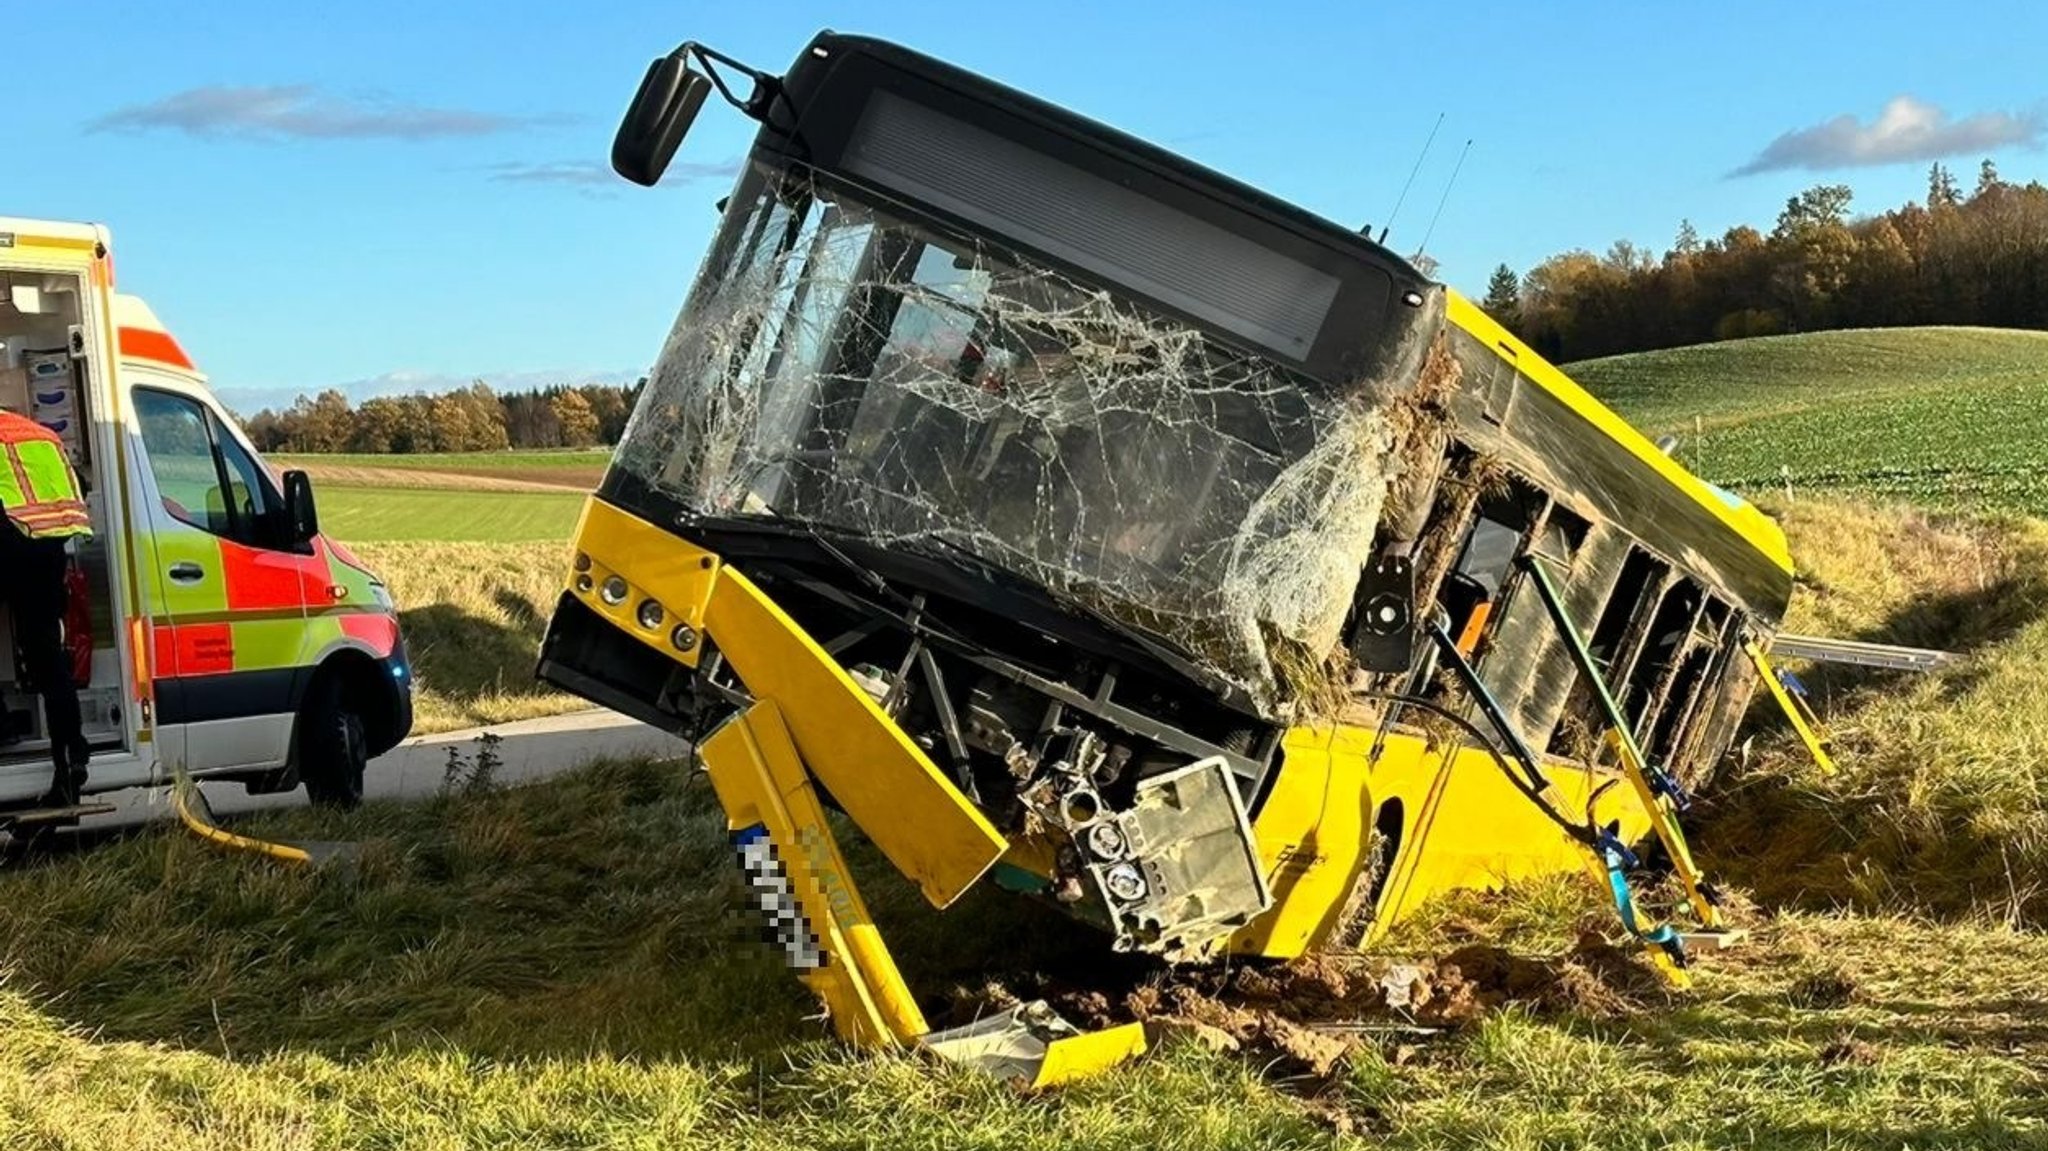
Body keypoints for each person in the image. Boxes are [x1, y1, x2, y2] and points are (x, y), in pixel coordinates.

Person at [0, 408, 94, 807]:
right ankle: (71, 754)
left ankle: (2, 724)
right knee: (46, 656)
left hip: (6, 541)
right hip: (48, 549)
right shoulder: (41, 434)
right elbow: (81, 487)